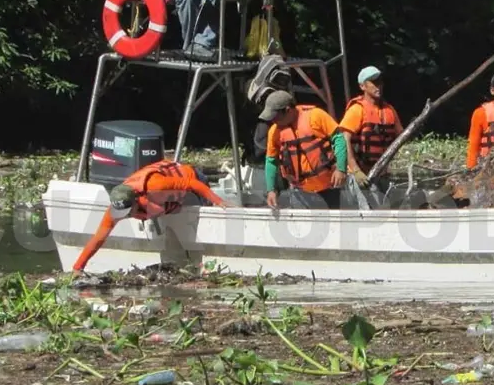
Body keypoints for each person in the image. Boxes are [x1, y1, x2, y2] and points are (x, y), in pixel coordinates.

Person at [72, 160, 225, 272]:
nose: (127, 216)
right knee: (175, 234)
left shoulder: (155, 185)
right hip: (169, 203)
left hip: (193, 182)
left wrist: (217, 201)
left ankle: (203, 263)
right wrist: (78, 267)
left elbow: (192, 184)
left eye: (129, 212)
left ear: (137, 199)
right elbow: (98, 238)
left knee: (196, 224)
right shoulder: (116, 207)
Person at [260, 91, 348, 209]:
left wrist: (341, 169)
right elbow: (271, 161)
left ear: (287, 110)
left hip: (330, 186)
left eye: (275, 117)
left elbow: (339, 138)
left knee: (336, 225)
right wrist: (271, 190)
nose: (273, 121)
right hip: (300, 191)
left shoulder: (316, 115)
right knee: (303, 226)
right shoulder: (274, 132)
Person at [339, 66, 403, 187]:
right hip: (358, 175)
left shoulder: (389, 110)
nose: (378, 85)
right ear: (362, 86)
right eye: (373, 82)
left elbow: (400, 137)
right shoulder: (357, 109)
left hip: (381, 173)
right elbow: (343, 140)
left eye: (379, 81)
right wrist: (355, 170)